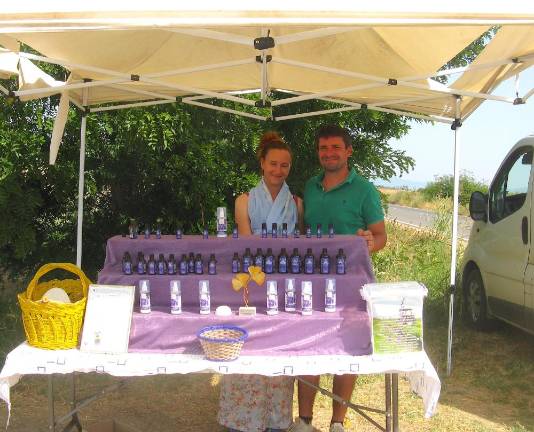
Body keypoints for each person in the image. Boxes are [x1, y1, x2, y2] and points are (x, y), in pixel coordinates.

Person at [290, 124, 387, 432]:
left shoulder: (365, 189)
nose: (328, 154)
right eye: (323, 148)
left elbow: (381, 236)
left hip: (352, 286)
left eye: (335, 148)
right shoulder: (310, 186)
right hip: (313, 281)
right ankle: (304, 420)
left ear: (348, 151)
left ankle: (337, 423)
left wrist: (369, 241)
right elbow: (305, 233)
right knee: (309, 347)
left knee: (348, 350)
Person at [218, 131, 304, 432]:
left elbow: (299, 247)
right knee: (250, 349)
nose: (278, 171)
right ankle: (242, 420)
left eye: (285, 166)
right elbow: (245, 245)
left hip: (285, 284)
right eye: (273, 164)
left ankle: (277, 419)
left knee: (281, 349)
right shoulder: (244, 201)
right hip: (253, 283)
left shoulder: (296, 202)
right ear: (262, 164)